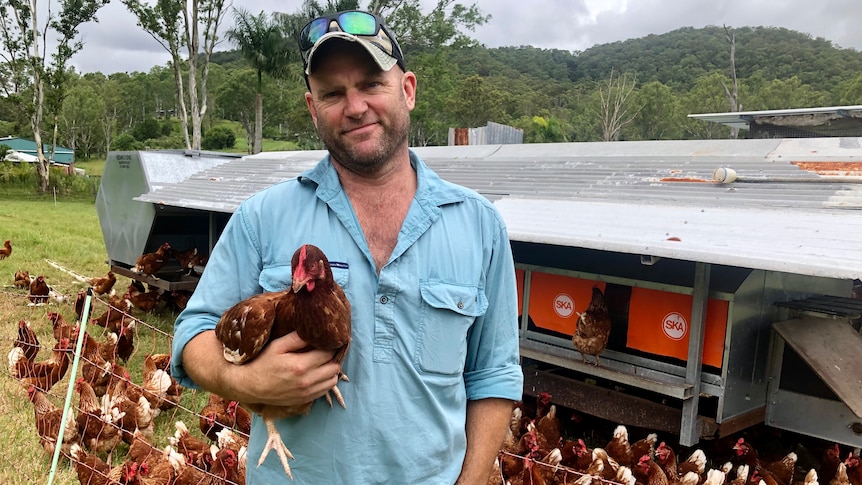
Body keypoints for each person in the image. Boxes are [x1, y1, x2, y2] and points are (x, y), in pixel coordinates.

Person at [171, 9, 523, 484]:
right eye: (333, 93)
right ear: (313, 108)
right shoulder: (263, 217)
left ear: (408, 89)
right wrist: (244, 380)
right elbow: (192, 334)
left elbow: (494, 375)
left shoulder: (479, 226)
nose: (354, 107)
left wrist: (473, 479)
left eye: (372, 83)